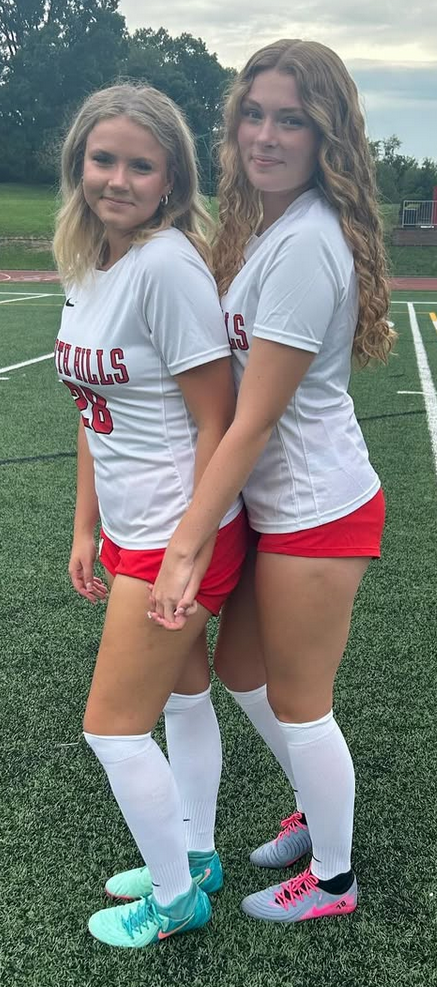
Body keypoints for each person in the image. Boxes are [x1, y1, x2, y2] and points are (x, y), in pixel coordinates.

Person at [149, 39, 396, 925]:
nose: (264, 135)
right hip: (279, 505)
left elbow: (251, 420)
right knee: (243, 668)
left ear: (325, 134)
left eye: (290, 119)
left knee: (300, 701)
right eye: (252, 114)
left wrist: (186, 545)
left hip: (316, 509)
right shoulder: (270, 227)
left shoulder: (304, 245)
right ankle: (315, 811)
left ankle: (332, 880)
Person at [52, 83, 248, 948]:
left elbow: (218, 419)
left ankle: (175, 900)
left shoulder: (166, 266)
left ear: (171, 179)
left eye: (141, 165)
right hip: (133, 526)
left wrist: (184, 550)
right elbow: (91, 409)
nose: (118, 179)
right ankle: (195, 857)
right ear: (79, 164)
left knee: (111, 730)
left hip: (181, 530)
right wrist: (85, 525)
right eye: (104, 159)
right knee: (181, 696)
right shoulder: (89, 261)